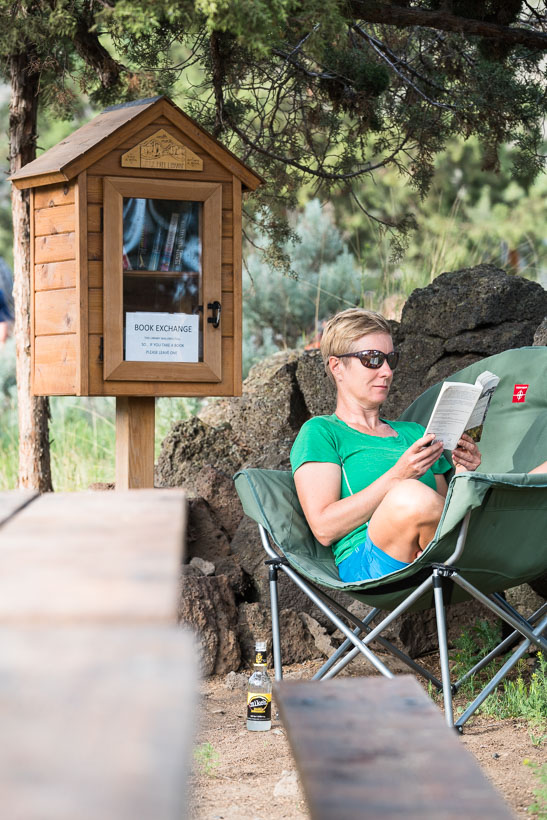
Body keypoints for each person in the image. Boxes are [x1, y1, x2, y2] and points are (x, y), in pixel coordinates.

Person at [290, 308, 484, 582]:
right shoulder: (321, 432)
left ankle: (461, 554)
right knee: (409, 495)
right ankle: (478, 555)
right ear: (337, 367)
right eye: (372, 359)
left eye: (391, 359)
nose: (387, 371)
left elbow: (442, 507)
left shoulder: (416, 433)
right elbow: (323, 527)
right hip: (369, 561)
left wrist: (465, 472)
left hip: (434, 553)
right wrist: (398, 476)